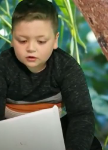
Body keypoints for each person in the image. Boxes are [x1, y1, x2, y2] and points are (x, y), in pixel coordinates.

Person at [0, 0, 101, 149]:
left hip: (55, 131)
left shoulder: (66, 67)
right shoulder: (3, 66)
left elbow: (81, 114)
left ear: (55, 40)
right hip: (10, 134)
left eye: (41, 41)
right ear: (12, 39)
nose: (31, 48)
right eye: (22, 40)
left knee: (92, 144)